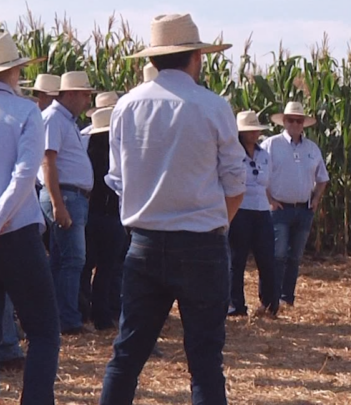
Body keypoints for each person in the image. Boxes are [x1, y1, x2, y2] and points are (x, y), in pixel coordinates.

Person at [100, 14, 246, 405]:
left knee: (126, 356)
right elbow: (236, 183)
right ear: (195, 57)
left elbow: (117, 180)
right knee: (204, 363)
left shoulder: (126, 107)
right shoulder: (213, 107)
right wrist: (218, 224)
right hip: (202, 246)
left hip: (144, 244)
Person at [0, 31, 61, 404]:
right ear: (15, 71)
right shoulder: (25, 113)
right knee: (42, 331)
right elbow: (25, 174)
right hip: (17, 233)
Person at [37, 71, 95, 335]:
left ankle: (59, 316)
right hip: (66, 196)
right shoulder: (54, 119)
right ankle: (68, 319)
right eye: (84, 95)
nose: (87, 100)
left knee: (63, 260)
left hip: (70, 196)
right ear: (70, 93)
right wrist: (58, 204)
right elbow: (47, 162)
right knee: (73, 259)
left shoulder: (65, 120)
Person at [262, 101, 329, 308]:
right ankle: (271, 298)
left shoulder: (312, 148)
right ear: (284, 122)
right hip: (279, 208)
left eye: (299, 121)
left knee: (294, 257)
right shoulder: (271, 145)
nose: (295, 124)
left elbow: (323, 178)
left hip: (303, 209)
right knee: (278, 255)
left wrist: (316, 198)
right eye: (291, 120)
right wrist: (270, 200)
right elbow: (260, 175)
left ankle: (287, 298)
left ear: (303, 124)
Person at [227, 111, 278, 318]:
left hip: (262, 210)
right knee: (236, 261)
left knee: (267, 259)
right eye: (249, 130)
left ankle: (270, 304)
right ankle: (236, 305)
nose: (254, 133)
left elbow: (267, 182)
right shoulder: (232, 154)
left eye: (256, 129)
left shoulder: (264, 154)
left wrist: (271, 201)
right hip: (240, 211)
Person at [81, 107, 126, 331]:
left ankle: (84, 311)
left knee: (86, 265)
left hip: (90, 214)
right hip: (111, 215)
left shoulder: (87, 153)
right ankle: (103, 314)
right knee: (107, 269)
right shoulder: (117, 155)